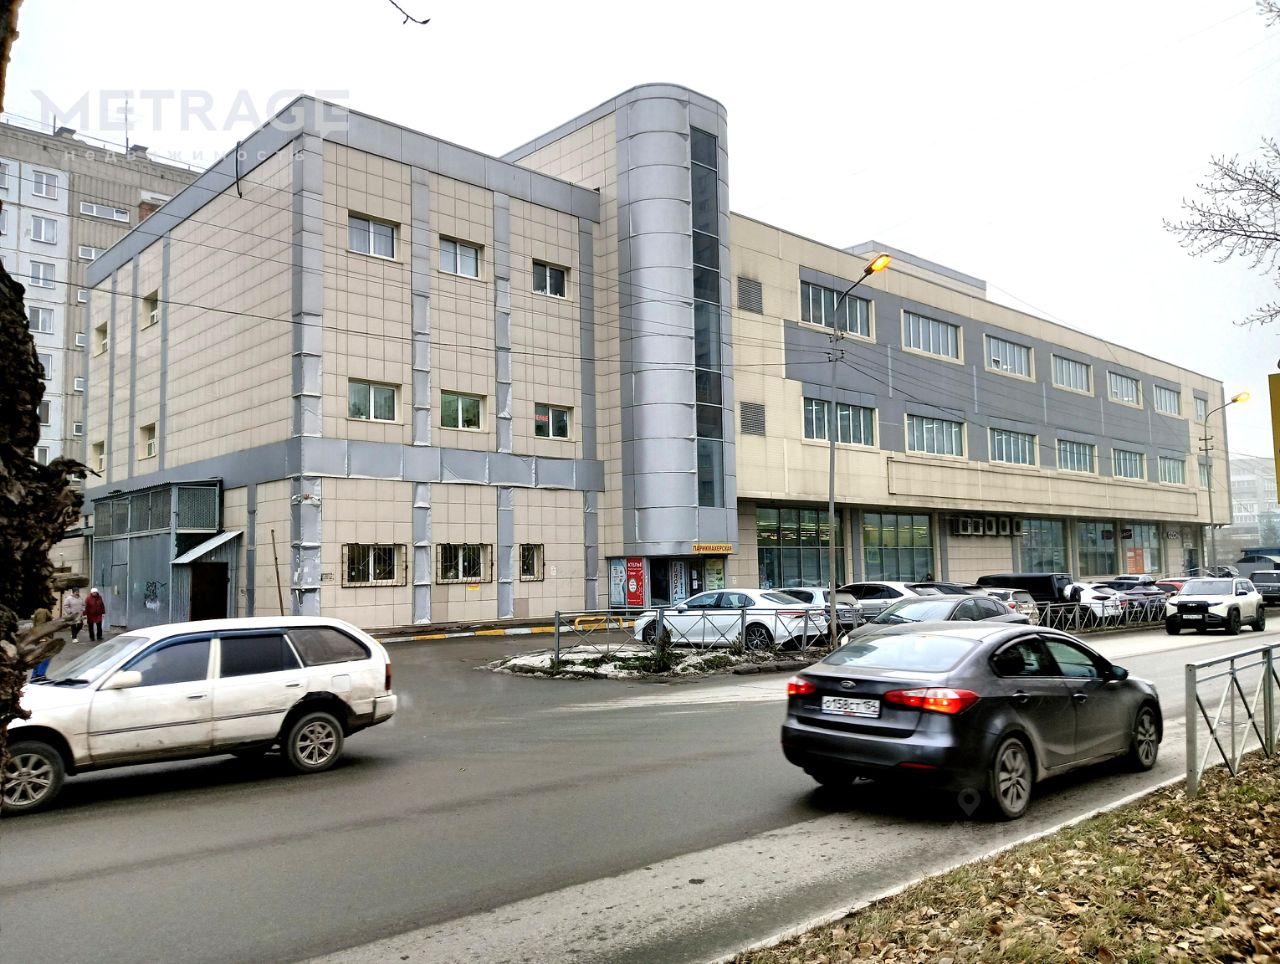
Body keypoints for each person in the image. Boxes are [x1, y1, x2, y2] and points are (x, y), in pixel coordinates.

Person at [29, 606, 53, 678]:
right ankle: (40, 675)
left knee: (39, 657)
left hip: (42, 637)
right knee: (46, 656)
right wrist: (43, 639)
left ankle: (35, 676)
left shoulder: (42, 610)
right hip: (43, 637)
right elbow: (40, 626)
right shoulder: (42, 611)